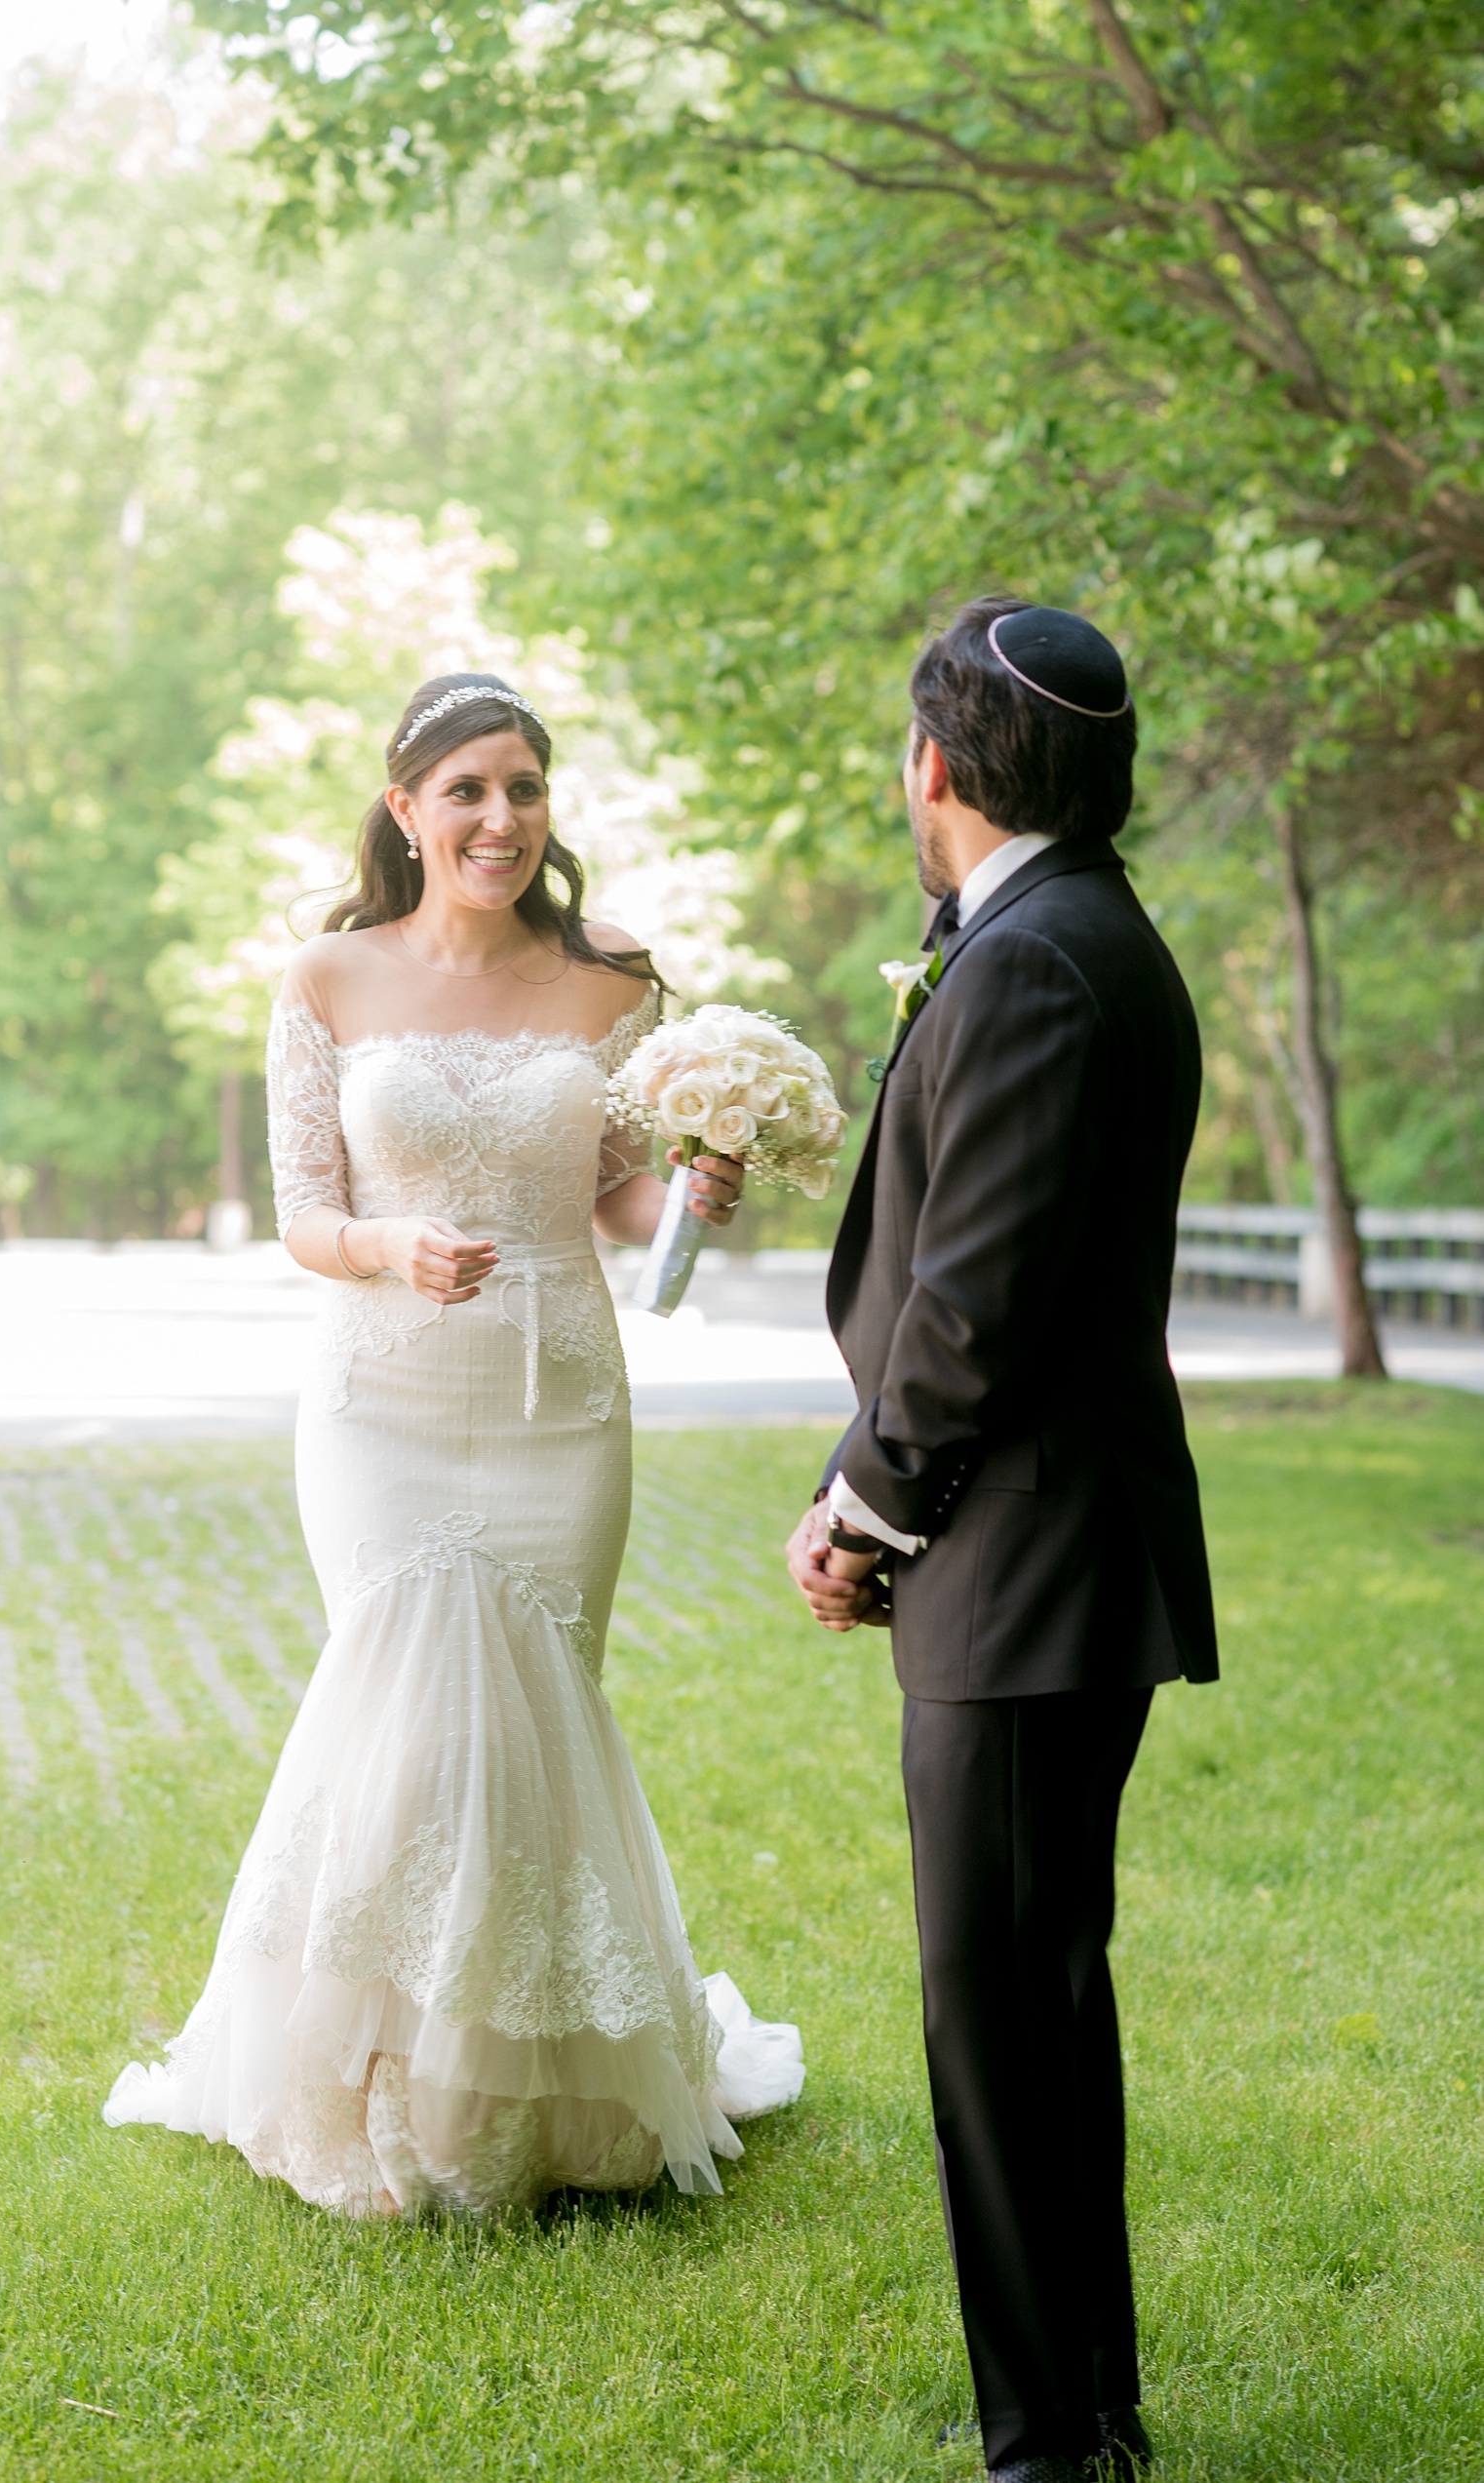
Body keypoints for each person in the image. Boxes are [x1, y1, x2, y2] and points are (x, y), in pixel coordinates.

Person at [107, 670, 802, 2216]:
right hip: (382, 1409)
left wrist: (696, 1192)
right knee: (410, 1739)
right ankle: (369, 2087)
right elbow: (302, 1214)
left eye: (526, 788)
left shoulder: (614, 977)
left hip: (561, 1408)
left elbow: (619, 1198)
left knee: (536, 1736)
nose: (502, 817)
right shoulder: (328, 977)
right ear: (405, 806)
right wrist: (388, 1246)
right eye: (470, 788)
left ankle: (539, 2103)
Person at [786, 602, 1217, 2481]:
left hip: (1021, 1570)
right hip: (1034, 1561)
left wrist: (859, 1517)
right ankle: (1088, 2415)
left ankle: (1051, 2445)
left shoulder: (1040, 965)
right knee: (1033, 2006)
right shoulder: (1063, 933)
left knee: (999, 2016)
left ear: (937, 766)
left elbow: (969, 1317)